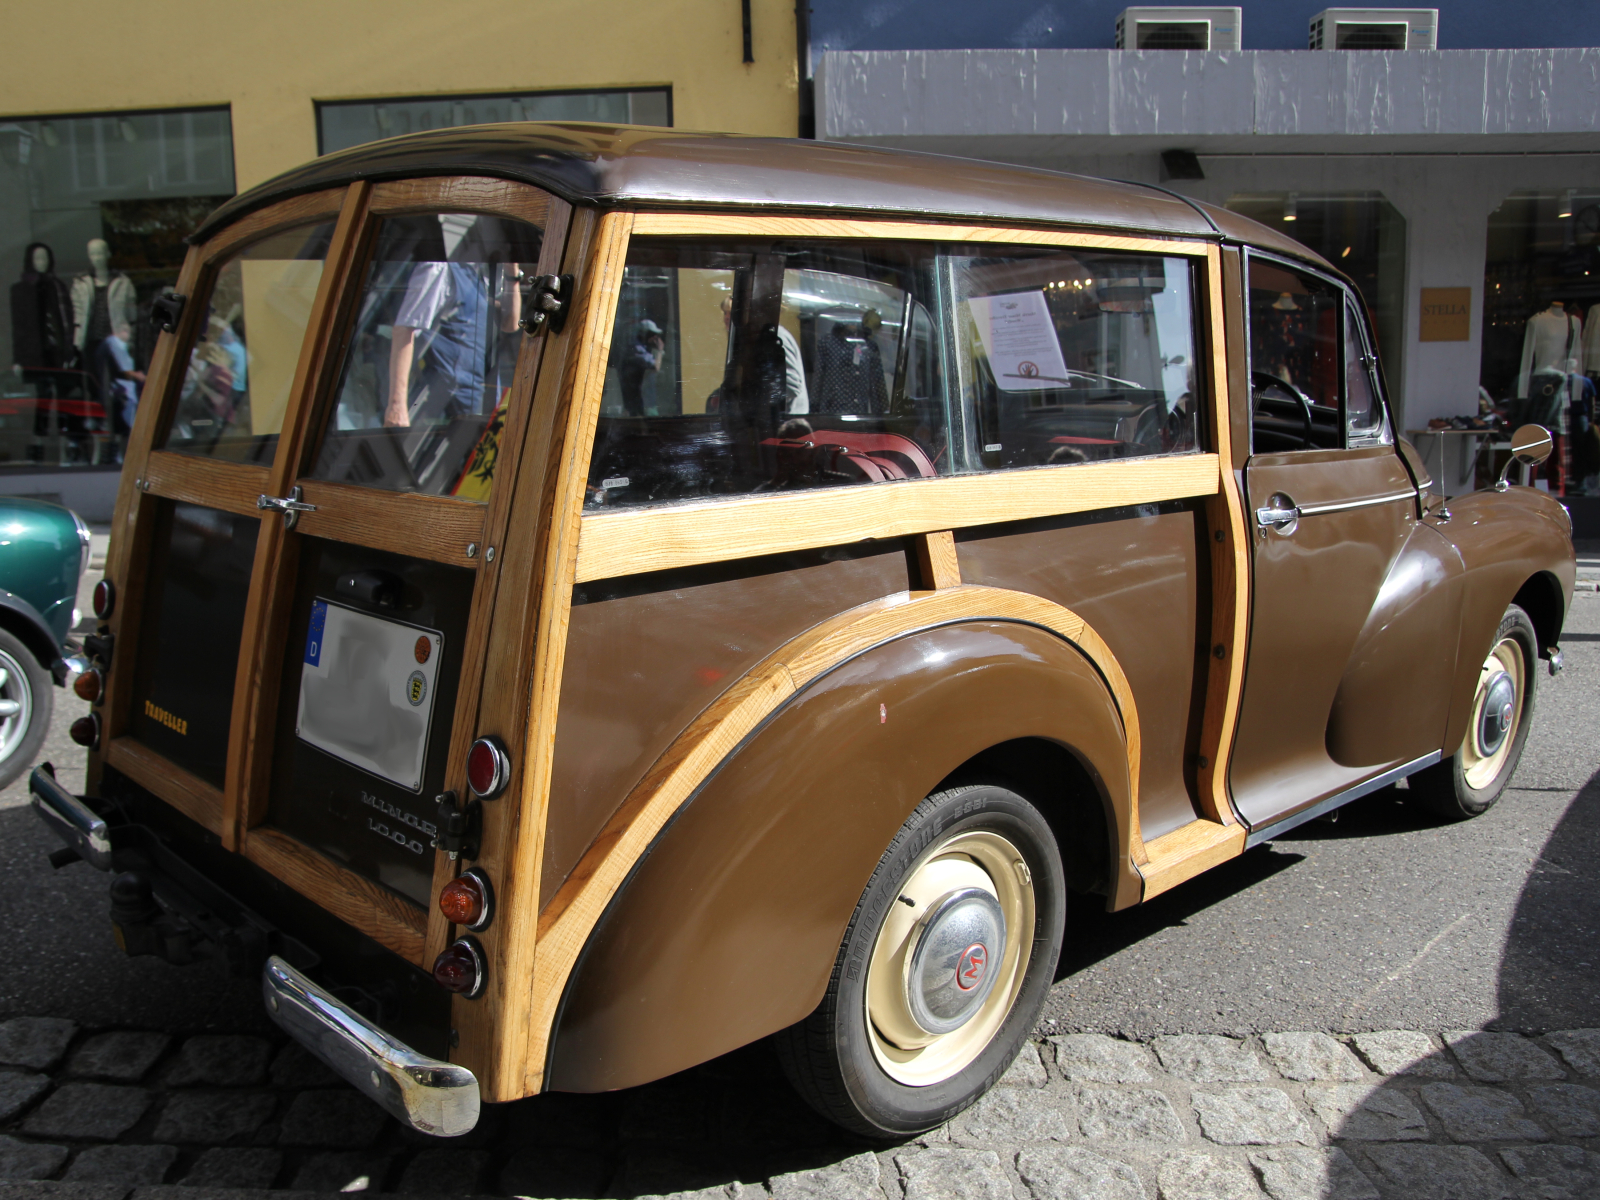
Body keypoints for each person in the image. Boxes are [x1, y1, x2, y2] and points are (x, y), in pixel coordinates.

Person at [383, 216, 522, 428]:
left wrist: (512, 272)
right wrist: (396, 406)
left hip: (481, 412)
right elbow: (404, 328)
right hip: (443, 410)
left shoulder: (483, 279)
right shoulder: (440, 270)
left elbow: (511, 323)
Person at [95, 321, 144, 437]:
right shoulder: (113, 345)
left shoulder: (113, 345)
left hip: (121, 393)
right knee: (124, 430)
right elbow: (120, 370)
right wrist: (138, 376)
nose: (129, 335)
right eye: (127, 331)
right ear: (119, 332)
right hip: (119, 394)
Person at [618, 319, 664, 416]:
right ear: (644, 334)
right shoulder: (637, 349)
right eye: (652, 334)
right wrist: (660, 350)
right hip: (639, 403)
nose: (655, 338)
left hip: (644, 401)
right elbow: (656, 367)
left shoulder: (644, 349)